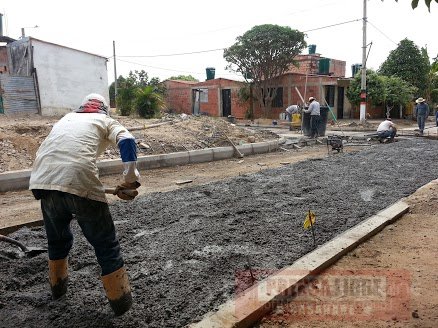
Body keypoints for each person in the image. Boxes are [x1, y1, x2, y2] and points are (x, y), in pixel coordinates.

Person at [29, 93, 141, 316]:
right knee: (105, 245)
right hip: (77, 178)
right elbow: (127, 141)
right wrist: (130, 180)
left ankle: (57, 291)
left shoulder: (65, 119)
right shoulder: (105, 120)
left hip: (42, 178)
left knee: (57, 240)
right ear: (104, 110)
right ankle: (121, 303)